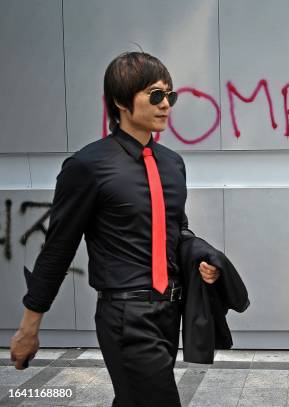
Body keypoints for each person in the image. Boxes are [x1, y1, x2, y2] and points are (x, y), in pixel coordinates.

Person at [10, 52, 220, 407]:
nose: (165, 104)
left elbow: (176, 230)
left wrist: (201, 256)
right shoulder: (87, 166)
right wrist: (29, 327)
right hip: (126, 316)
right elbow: (58, 248)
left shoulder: (172, 164)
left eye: (170, 95)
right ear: (121, 101)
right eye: (155, 95)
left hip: (170, 313)